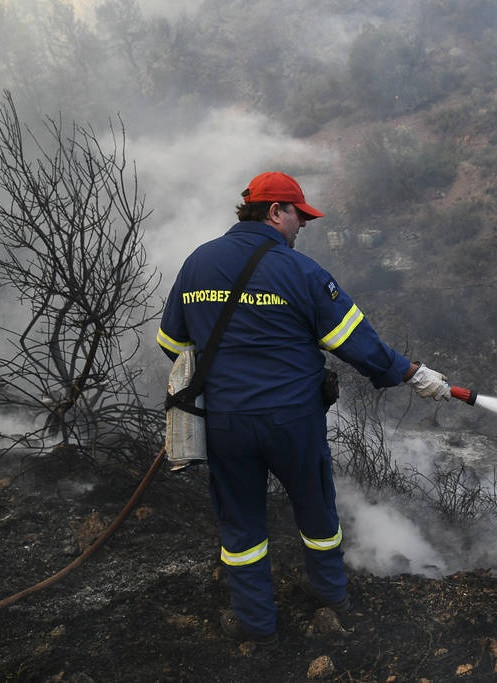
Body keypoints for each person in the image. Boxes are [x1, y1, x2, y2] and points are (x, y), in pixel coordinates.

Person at [156, 171, 450, 644]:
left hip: (227, 423)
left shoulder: (198, 263)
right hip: (292, 419)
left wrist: (228, 366)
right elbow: (357, 344)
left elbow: (172, 343)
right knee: (316, 511)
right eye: (300, 216)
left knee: (241, 524)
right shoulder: (302, 272)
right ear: (276, 212)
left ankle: (256, 623)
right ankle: (331, 597)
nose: (303, 226)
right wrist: (411, 373)